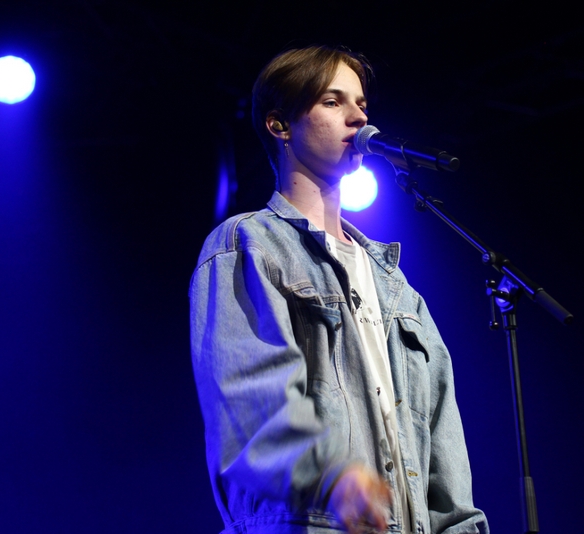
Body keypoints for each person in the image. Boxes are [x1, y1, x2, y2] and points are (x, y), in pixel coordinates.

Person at [190, 45, 489, 534]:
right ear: (279, 125)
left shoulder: (397, 287)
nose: (358, 117)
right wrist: (332, 476)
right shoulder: (248, 244)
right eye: (333, 102)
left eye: (362, 104)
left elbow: (444, 452)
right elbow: (250, 402)